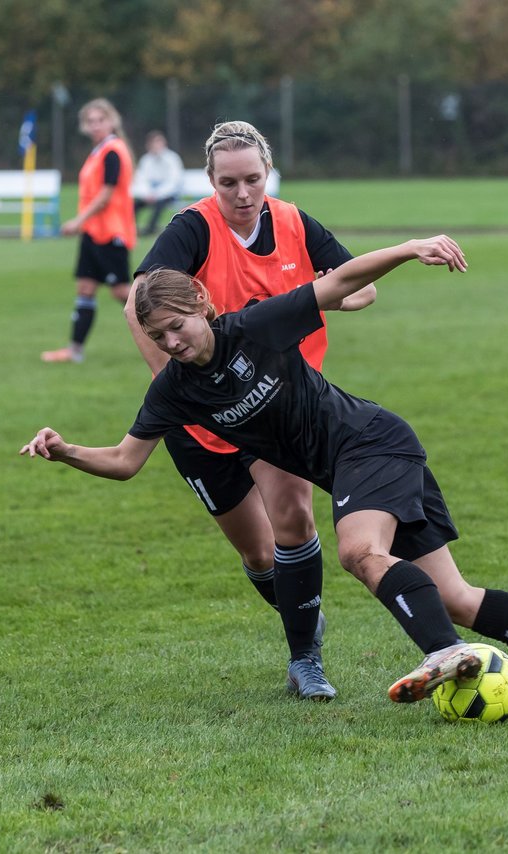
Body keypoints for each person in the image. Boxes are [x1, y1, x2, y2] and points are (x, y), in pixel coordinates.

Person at [22, 236, 508, 707]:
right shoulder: (175, 392)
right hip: (357, 467)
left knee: (358, 551)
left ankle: (446, 653)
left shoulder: (254, 326)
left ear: (202, 306)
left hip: (372, 443)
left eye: (178, 326)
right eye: (159, 335)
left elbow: (339, 282)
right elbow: (127, 461)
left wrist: (411, 248)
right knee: (455, 596)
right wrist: (67, 449)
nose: (172, 342)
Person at [125, 120, 375, 703]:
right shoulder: (192, 228)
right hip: (200, 421)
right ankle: (301, 616)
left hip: (275, 405)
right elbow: (139, 305)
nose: (242, 194)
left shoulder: (292, 221)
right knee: (259, 553)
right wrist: (176, 386)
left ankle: (304, 661)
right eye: (229, 182)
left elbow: (359, 285)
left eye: (253, 180)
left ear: (269, 174)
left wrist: (329, 290)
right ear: (210, 181)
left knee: (294, 519)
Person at [41, 98, 136, 364]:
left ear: (111, 121)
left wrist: (78, 220)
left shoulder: (113, 151)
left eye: (100, 120)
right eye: (90, 122)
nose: (95, 126)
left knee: (121, 291)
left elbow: (106, 195)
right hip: (94, 233)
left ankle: (173, 330)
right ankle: (75, 350)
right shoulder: (99, 151)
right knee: (85, 287)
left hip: (110, 232)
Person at [132, 130, 184, 236]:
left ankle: (150, 229)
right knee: (134, 204)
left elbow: (173, 182)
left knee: (160, 204)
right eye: (153, 143)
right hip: (149, 194)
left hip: (167, 194)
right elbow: (141, 180)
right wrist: (148, 193)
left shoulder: (172, 159)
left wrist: (157, 194)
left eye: (158, 143)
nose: (156, 146)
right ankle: (131, 228)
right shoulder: (146, 160)